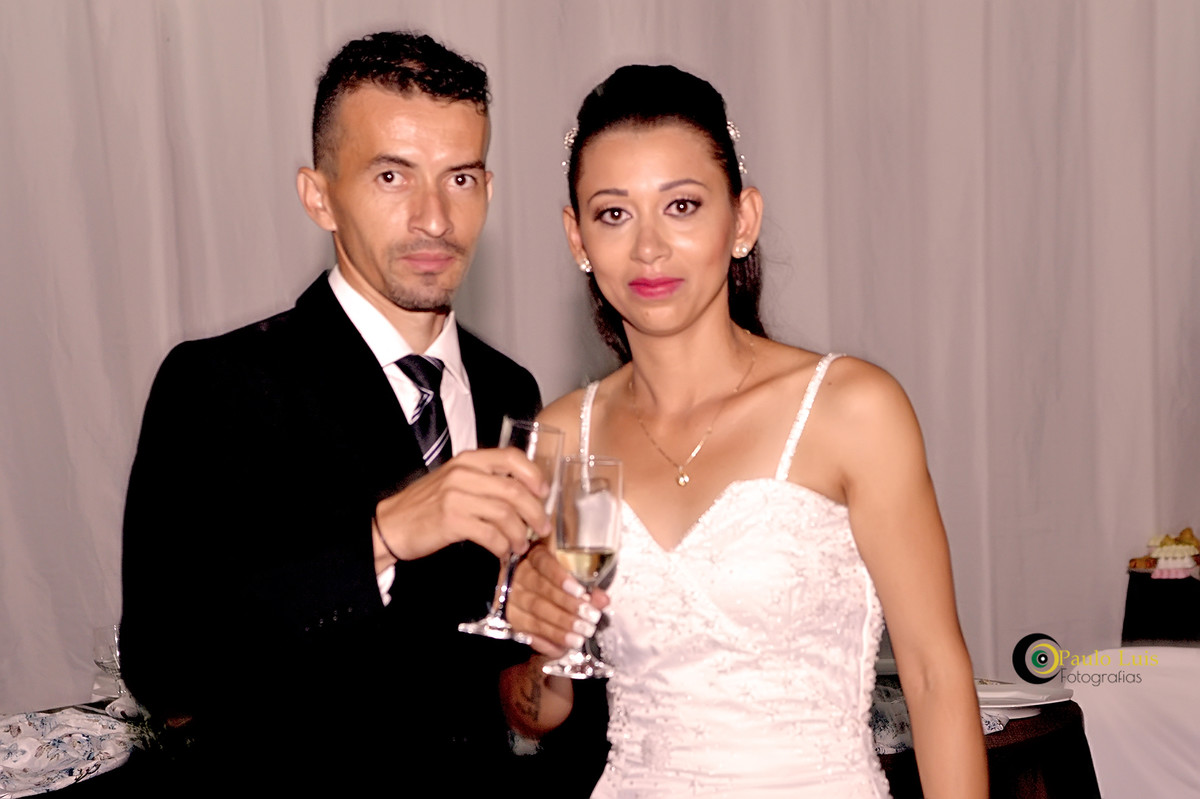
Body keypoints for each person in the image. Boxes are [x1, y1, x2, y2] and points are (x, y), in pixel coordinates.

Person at [502, 65, 989, 797]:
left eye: (682, 206)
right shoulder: (566, 434)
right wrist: (542, 643)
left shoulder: (850, 408)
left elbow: (933, 674)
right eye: (613, 214)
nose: (648, 248)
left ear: (743, 220)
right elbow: (539, 712)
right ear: (577, 237)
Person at [119, 30, 551, 793]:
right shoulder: (221, 384)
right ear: (319, 195)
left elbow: (488, 676)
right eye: (392, 175)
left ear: (489, 188)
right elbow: (165, 666)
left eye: (459, 178)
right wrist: (381, 537)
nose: (434, 218)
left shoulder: (509, 389)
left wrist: (544, 667)